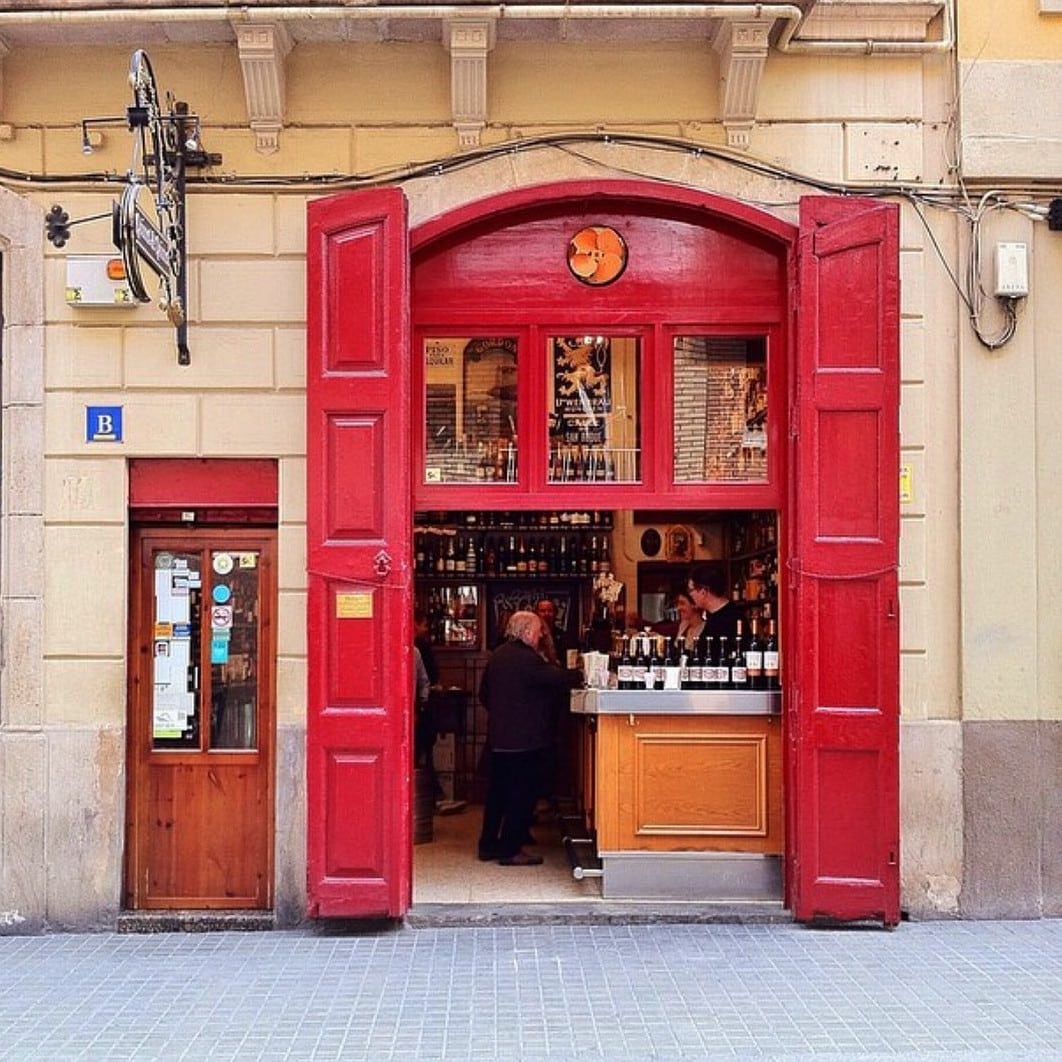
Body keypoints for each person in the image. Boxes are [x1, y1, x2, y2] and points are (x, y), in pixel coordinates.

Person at [477, 610, 581, 866]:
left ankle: (488, 845)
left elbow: (483, 695)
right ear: (525, 632)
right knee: (521, 796)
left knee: (497, 795)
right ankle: (511, 849)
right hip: (525, 740)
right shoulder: (528, 658)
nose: (541, 634)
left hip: (499, 739)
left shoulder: (498, 655)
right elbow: (558, 678)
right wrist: (582, 673)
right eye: (537, 631)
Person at [687, 562, 740, 640]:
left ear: (703, 592)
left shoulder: (729, 620)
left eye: (691, 590)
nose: (690, 594)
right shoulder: (713, 616)